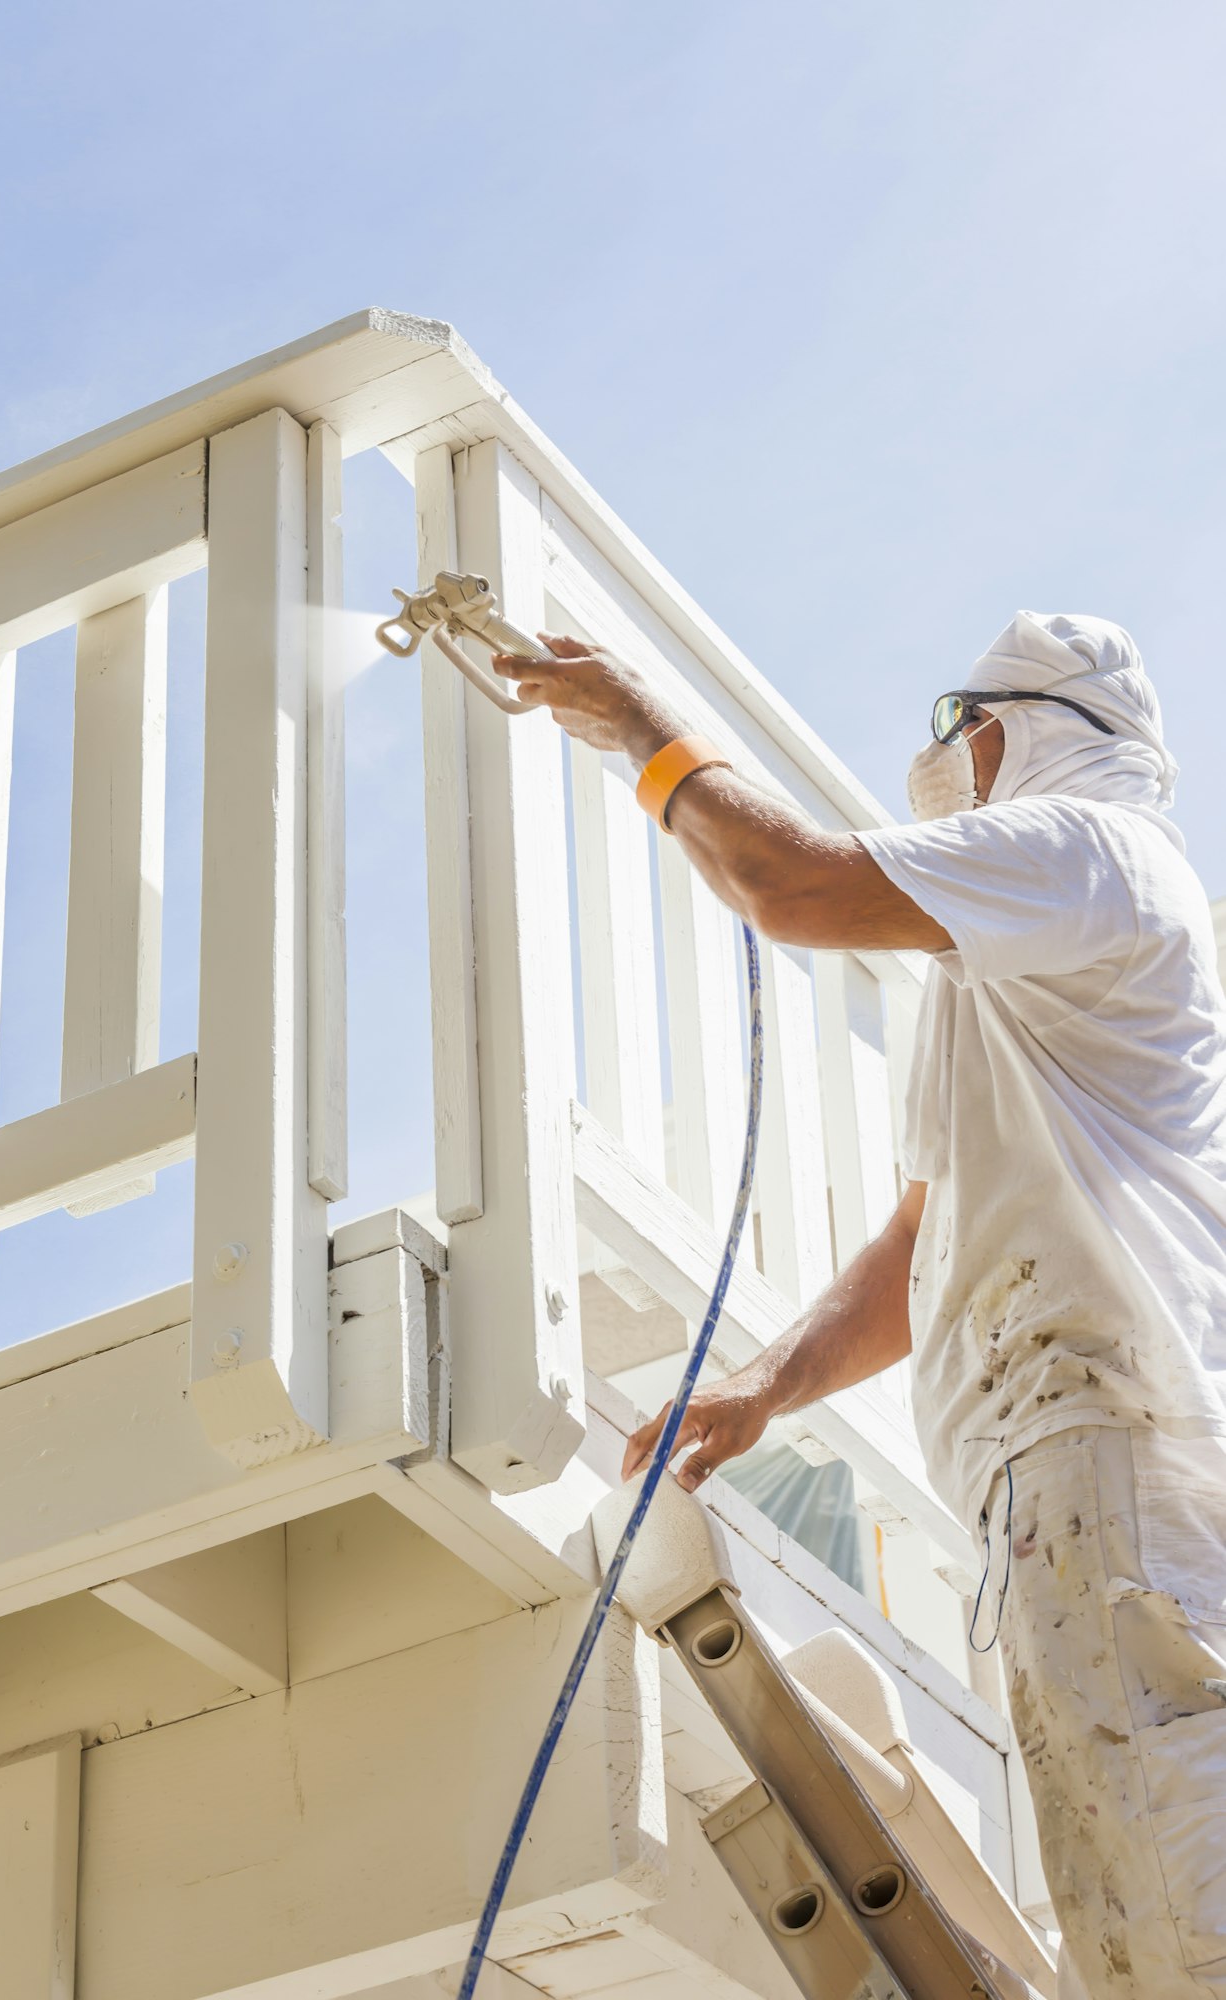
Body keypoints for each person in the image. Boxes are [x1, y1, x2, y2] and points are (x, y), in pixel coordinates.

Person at [492, 610, 1226, 2000]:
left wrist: (643, 725)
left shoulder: (1091, 844)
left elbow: (788, 883)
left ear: (1017, 726)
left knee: (1183, 1921)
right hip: (1063, 1472)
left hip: (1106, 1448)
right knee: (1141, 1916)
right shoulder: (1010, 977)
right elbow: (922, 1232)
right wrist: (764, 1388)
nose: (943, 762)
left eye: (957, 731)